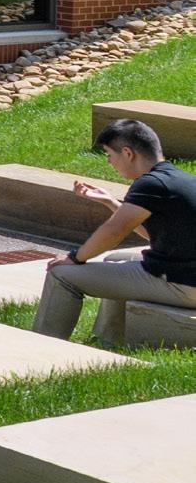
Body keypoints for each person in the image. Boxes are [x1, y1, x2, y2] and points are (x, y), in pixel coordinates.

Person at [34, 116, 196, 349]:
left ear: (128, 153)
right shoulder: (179, 179)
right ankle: (109, 340)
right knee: (115, 259)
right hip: (186, 275)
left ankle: (43, 347)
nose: (109, 162)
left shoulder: (150, 184)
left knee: (62, 275)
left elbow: (114, 231)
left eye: (110, 155)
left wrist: (75, 257)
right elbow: (153, 234)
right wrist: (111, 202)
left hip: (183, 285)